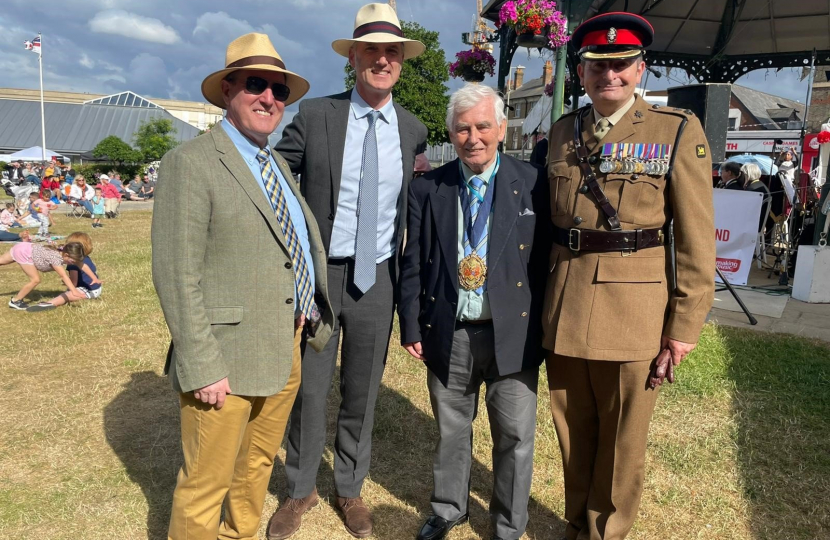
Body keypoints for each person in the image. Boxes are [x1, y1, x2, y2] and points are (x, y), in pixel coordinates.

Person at [152, 33, 333, 540]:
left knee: (254, 471)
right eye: (257, 84)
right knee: (205, 484)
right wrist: (202, 363)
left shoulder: (274, 163)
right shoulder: (191, 163)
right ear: (228, 89)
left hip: (284, 347)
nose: (270, 98)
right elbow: (175, 272)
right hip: (224, 361)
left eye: (280, 90)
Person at [543, 12, 715, 540]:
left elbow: (695, 237)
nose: (608, 76)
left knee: (623, 441)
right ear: (581, 73)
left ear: (640, 69)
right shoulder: (562, 132)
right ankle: (576, 524)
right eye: (597, 66)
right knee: (573, 432)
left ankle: (606, 533)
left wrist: (684, 325)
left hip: (634, 312)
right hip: (566, 305)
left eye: (620, 65)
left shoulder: (676, 131)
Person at [267, 4, 428, 539]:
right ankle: (300, 488)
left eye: (392, 53)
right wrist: (289, 243)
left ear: (400, 62)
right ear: (353, 57)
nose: (381, 61)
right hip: (321, 278)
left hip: (377, 277)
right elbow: (276, 171)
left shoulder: (413, 130)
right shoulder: (316, 116)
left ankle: (350, 486)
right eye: (371, 51)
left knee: (362, 389)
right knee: (310, 390)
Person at [398, 84, 550, 540]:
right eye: (462, 129)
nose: (473, 137)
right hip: (450, 331)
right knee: (450, 431)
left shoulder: (534, 184)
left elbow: (545, 264)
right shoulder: (428, 187)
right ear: (451, 133)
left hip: (513, 334)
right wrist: (409, 324)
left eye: (483, 125)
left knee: (516, 438)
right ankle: (448, 508)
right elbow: (413, 264)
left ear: (502, 128)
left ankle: (507, 525)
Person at [28, 232, 102, 312]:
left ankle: (50, 303)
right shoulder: (84, 258)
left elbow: (74, 282)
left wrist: (71, 290)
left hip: (88, 290)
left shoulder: (73, 263)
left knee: (66, 295)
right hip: (96, 288)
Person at [1, 240, 85, 310]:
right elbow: (63, 275)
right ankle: (16, 301)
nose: (73, 263)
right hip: (25, 253)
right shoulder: (55, 258)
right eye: (73, 261)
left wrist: (94, 279)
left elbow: (81, 265)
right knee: (35, 280)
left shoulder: (62, 251)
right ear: (66, 255)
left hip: (24, 247)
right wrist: (74, 291)